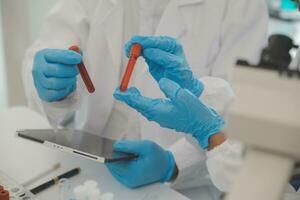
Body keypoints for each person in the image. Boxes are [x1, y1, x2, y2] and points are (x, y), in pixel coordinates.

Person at [22, 0, 268, 199]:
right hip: (88, 169)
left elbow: (244, 119)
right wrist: (50, 83)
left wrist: (174, 164)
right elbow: (51, 44)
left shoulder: (242, 6)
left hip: (181, 189)